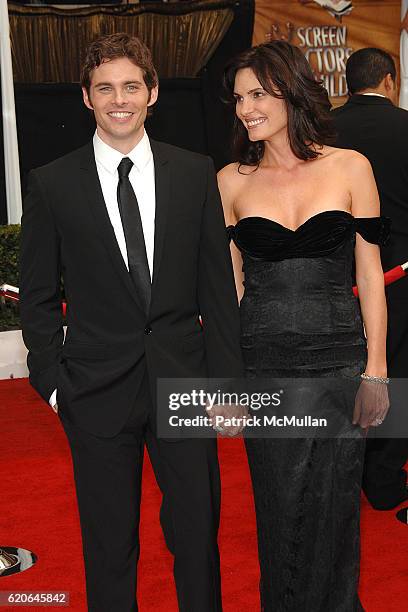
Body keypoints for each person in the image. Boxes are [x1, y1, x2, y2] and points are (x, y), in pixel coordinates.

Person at [19, 33, 243, 612]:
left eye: (131, 86)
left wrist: (225, 385)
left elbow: (217, 289)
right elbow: (38, 295)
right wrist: (51, 382)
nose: (119, 99)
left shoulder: (194, 173)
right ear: (87, 98)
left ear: (153, 93)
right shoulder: (53, 183)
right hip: (94, 391)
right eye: (105, 88)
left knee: (197, 536)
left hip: (186, 385)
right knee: (108, 545)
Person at [218, 41, 389, 611]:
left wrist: (378, 373)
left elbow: (370, 275)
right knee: (279, 506)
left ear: (291, 90)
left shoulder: (350, 167)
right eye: (239, 98)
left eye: (258, 94)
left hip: (340, 361)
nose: (246, 108)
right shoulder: (229, 182)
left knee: (335, 509)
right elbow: (230, 290)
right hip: (264, 366)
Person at [332, 47, 408, 511]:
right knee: (396, 368)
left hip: (338, 271)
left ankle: (346, 471)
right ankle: (381, 478)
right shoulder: (406, 127)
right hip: (399, 272)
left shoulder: (324, 131)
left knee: (348, 367)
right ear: (390, 81)